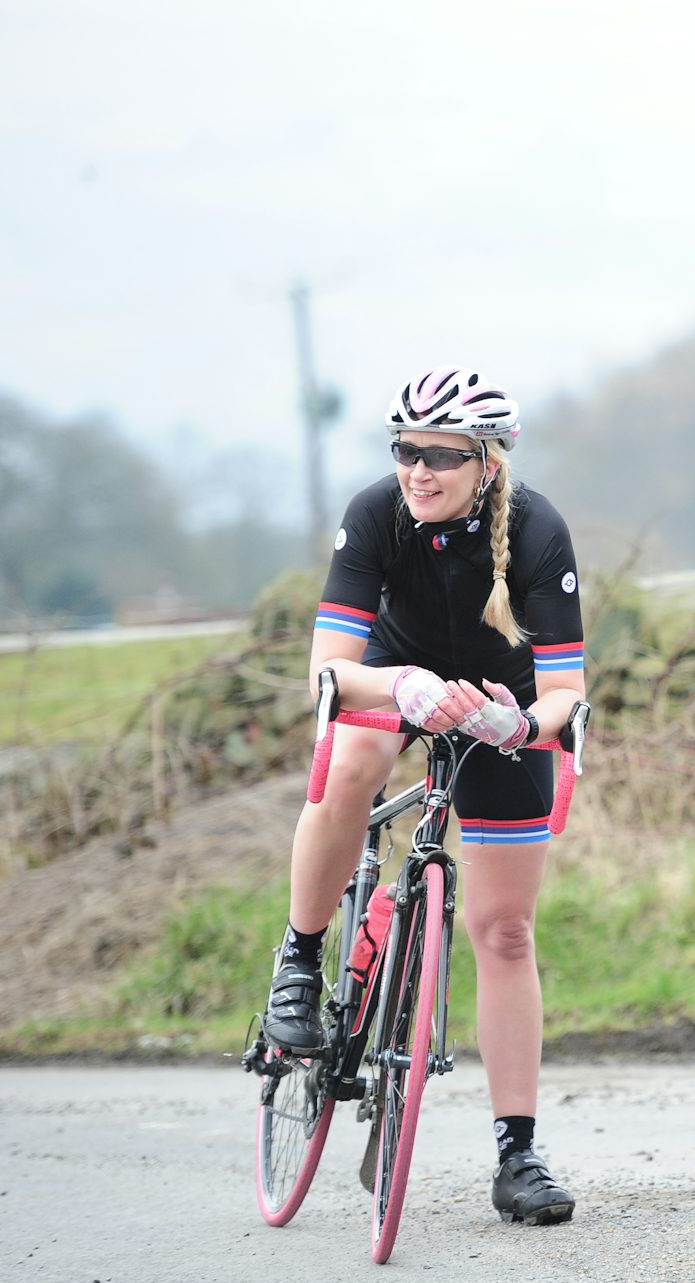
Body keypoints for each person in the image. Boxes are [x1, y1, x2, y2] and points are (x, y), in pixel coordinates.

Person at [260, 366, 588, 1225]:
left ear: (489, 461)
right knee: (353, 761)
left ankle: (518, 1154)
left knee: (505, 929)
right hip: (391, 681)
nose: (418, 470)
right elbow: (329, 673)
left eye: (442, 455)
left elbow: (566, 693)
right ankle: (301, 962)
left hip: (499, 707)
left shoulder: (538, 529)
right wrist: (403, 683)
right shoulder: (376, 513)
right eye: (405, 450)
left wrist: (520, 725)